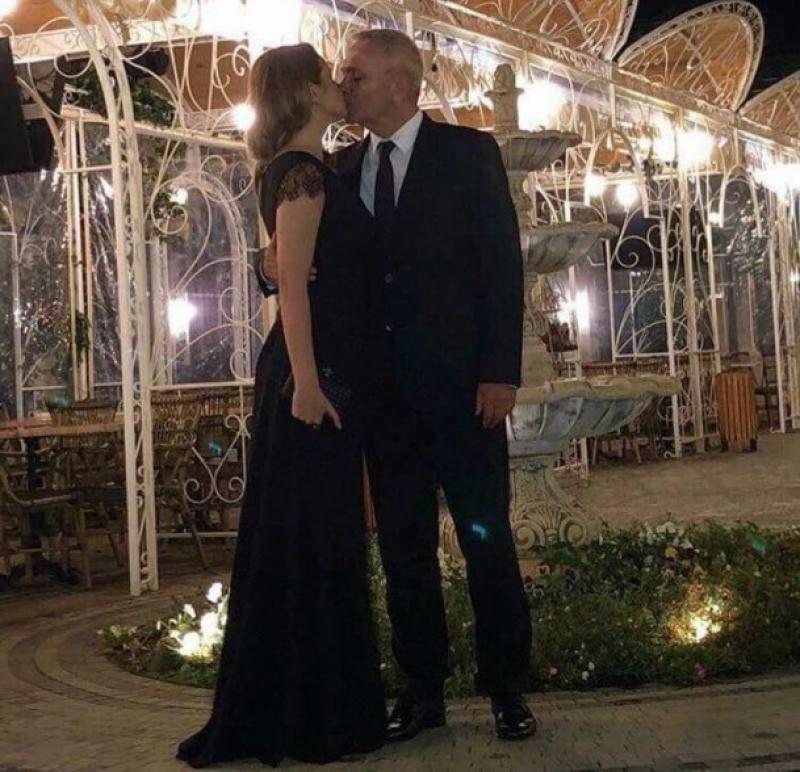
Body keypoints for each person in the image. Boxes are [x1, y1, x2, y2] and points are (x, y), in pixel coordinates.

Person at [176, 43, 386, 767]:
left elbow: (293, 273)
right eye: (329, 77)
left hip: (318, 371)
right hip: (311, 377)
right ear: (304, 91)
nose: (341, 83)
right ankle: (311, 714)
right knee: (314, 539)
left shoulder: (307, 168)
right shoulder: (301, 173)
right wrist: (307, 383)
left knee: (315, 536)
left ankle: (313, 708)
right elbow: (293, 287)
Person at [336, 29, 535, 742]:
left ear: (400, 83)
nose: (343, 86)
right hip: (386, 401)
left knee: (487, 540)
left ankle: (507, 687)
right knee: (403, 549)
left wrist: (500, 372)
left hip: (463, 394)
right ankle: (422, 691)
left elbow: (501, 266)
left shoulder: (467, 155)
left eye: (354, 75)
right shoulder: (341, 167)